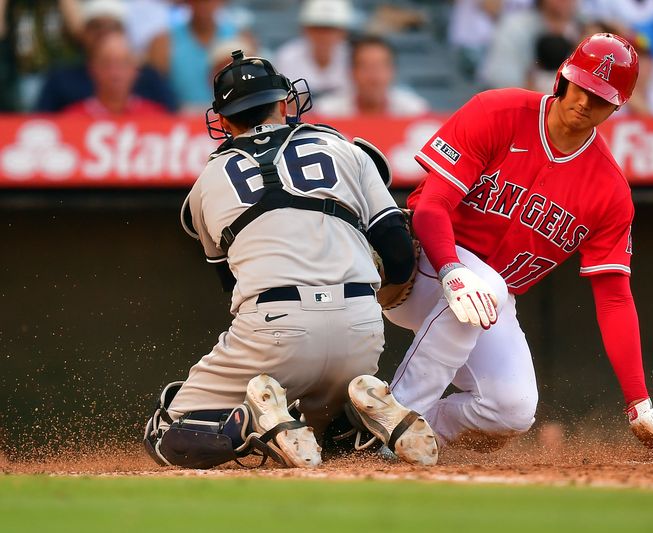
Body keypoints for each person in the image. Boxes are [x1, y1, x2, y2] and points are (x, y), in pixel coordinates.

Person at [372, 33, 653, 455]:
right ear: (563, 78)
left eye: (599, 97)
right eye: (581, 86)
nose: (584, 101)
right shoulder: (498, 111)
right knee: (489, 291)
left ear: (617, 105)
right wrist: (450, 267)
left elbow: (614, 298)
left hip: (486, 299)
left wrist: (638, 400)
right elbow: (432, 206)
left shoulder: (609, 190)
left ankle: (413, 430)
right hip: (423, 262)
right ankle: (386, 425)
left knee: (511, 409)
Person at [143, 51, 436, 469]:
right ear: (285, 104)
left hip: (275, 329)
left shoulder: (208, 181)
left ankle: (248, 426)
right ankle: (359, 419)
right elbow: (398, 252)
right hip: (361, 327)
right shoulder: (344, 149)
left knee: (166, 434)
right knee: (320, 435)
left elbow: (233, 284)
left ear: (223, 121)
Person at [34, 0, 176, 112]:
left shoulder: (149, 79)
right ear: (84, 31)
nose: (104, 32)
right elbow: (40, 126)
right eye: (96, 26)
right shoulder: (61, 79)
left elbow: (173, 123)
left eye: (112, 26)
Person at [146, 0, 251, 112]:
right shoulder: (163, 43)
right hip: (180, 120)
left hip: (231, 116)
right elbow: (155, 94)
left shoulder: (241, 38)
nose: (204, 5)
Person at [313, 35, 429, 118]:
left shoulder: (414, 110)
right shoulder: (326, 112)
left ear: (393, 71)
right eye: (365, 67)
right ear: (351, 72)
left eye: (380, 66)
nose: (373, 77)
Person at [61, 31, 167, 117]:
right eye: (106, 64)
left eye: (123, 63)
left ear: (135, 69)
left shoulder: (155, 117)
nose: (114, 73)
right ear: (92, 68)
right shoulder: (72, 118)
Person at [274, 0, 355, 98]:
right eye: (317, 29)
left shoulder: (353, 56)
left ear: (343, 32)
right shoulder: (287, 57)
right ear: (305, 30)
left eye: (331, 29)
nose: (324, 36)